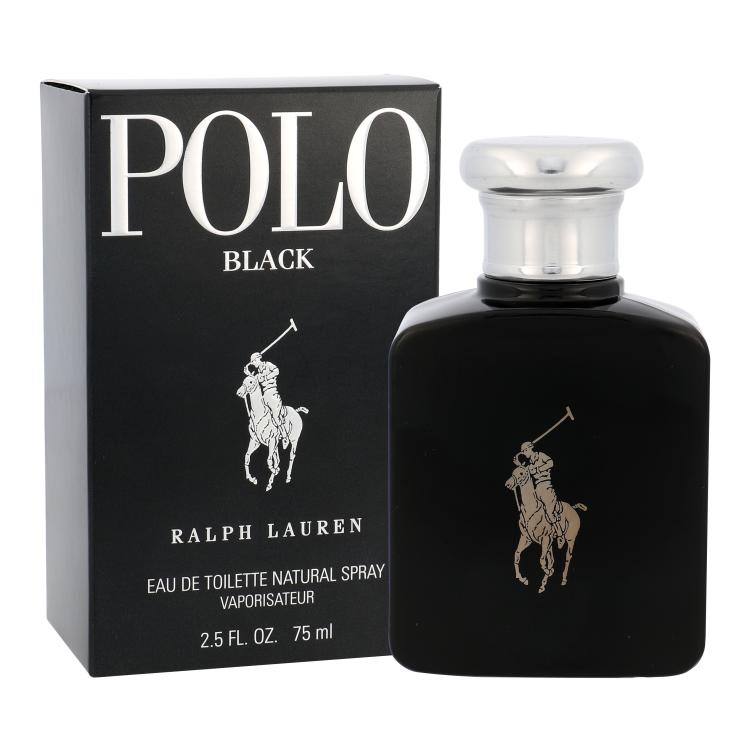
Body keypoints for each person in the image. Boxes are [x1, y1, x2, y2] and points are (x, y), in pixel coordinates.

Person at [520, 440, 565, 548]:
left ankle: (560, 534)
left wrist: (538, 469)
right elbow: (524, 472)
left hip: (546, 488)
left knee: (549, 512)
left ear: (529, 448)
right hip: (537, 489)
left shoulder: (540, 455)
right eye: (522, 452)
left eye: (524, 451)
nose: (524, 453)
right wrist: (518, 464)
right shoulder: (529, 464)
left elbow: (551, 463)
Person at [247, 352, 289, 445]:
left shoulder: (268, 364)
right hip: (264, 395)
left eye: (253, 361)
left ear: (258, 359)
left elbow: (277, 371)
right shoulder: (258, 373)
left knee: (275, 416)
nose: (253, 364)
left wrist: (265, 377)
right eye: (252, 362)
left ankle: (285, 436)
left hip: (272, 393)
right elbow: (254, 381)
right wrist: (249, 374)